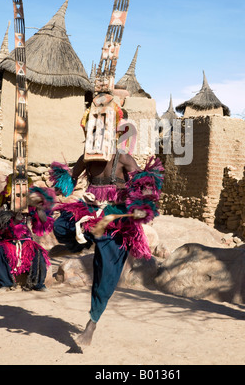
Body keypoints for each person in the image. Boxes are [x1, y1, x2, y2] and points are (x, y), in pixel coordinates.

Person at [50, 147, 164, 349]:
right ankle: (76, 245)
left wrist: (135, 198)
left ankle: (92, 323)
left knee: (106, 273)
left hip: (115, 218)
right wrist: (62, 186)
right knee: (61, 225)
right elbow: (70, 180)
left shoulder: (124, 159)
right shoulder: (86, 157)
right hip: (91, 210)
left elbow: (146, 187)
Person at [0, 175, 55, 292]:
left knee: (38, 253)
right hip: (7, 240)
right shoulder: (4, 207)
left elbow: (44, 220)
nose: (19, 196)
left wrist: (39, 208)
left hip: (26, 241)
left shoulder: (29, 207)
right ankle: (5, 283)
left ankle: (37, 283)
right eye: (16, 193)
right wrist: (14, 221)